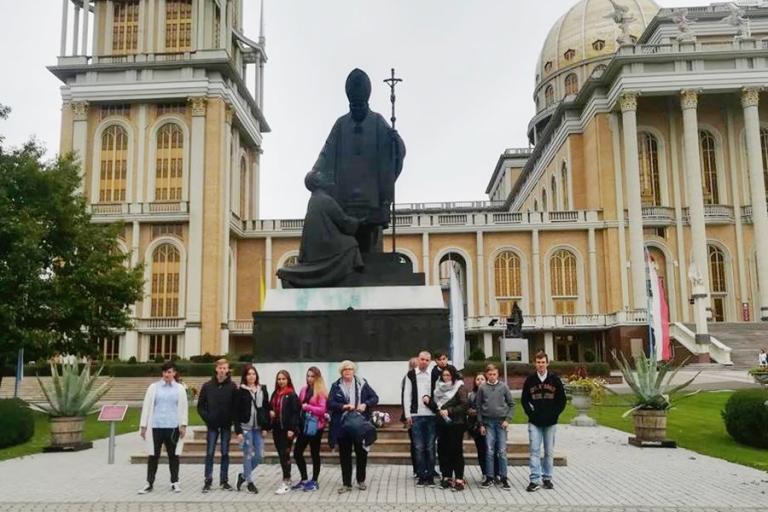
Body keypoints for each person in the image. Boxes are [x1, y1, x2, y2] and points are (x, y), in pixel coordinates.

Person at [309, 68, 406, 254]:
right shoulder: (340, 125)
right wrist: (314, 174)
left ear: (367, 102)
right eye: (353, 106)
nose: (357, 109)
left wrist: (397, 144)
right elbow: (326, 154)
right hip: (344, 202)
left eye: (361, 105)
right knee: (346, 249)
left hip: (371, 201)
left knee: (371, 252)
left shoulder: (378, 122)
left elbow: (395, 155)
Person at [277, 172, 364, 288]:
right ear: (317, 182)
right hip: (325, 245)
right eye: (321, 176)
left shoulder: (314, 200)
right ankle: (350, 276)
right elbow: (344, 222)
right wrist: (359, 221)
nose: (325, 176)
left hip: (317, 246)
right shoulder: (325, 200)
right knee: (351, 244)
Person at [137, 361, 189, 494]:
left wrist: (183, 425)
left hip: (172, 427)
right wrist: (143, 426)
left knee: (174, 455)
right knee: (153, 455)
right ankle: (149, 483)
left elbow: (183, 408)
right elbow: (147, 407)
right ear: (162, 373)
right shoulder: (153, 388)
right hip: (156, 426)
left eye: (170, 372)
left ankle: (175, 482)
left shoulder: (180, 388)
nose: (167, 374)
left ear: (174, 373)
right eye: (165, 372)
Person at [328, 360, 380, 494]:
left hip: (360, 424)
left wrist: (365, 404)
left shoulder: (362, 383)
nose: (347, 371)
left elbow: (375, 397)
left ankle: (361, 480)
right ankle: (346, 484)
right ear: (341, 371)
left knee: (361, 453)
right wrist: (343, 406)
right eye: (345, 369)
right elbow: (330, 404)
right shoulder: (336, 386)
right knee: (344, 455)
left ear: (354, 371)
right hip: (343, 425)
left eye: (350, 369)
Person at [521, 352, 566, 492]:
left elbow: (562, 400)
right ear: (535, 363)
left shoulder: (554, 380)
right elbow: (524, 400)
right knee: (534, 451)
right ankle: (534, 480)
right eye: (538, 362)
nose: (540, 365)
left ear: (547, 363)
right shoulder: (530, 380)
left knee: (549, 452)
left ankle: (547, 478)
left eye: (543, 362)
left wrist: (554, 414)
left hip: (550, 422)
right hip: (534, 422)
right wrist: (531, 413)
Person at [197, 358, 238, 493]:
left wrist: (231, 419)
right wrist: (208, 418)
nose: (222, 371)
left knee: (225, 453)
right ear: (216, 369)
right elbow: (200, 406)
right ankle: (208, 480)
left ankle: (224, 481)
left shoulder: (232, 387)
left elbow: (235, 406)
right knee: (210, 453)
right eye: (220, 368)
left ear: (228, 370)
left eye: (225, 368)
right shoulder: (207, 386)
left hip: (226, 425)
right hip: (212, 425)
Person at [429, 365, 469, 491]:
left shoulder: (459, 387)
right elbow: (436, 405)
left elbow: (464, 404)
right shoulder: (438, 387)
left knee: (455, 450)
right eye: (444, 375)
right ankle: (446, 476)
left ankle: (459, 478)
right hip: (442, 423)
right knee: (443, 450)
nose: (446, 378)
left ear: (453, 376)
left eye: (448, 375)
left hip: (456, 423)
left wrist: (450, 410)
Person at [476, 363, 515, 490]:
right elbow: (479, 407)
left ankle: (503, 477)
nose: (492, 376)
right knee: (489, 450)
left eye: (494, 374)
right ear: (486, 375)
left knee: (502, 451)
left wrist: (507, 419)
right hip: (488, 423)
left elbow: (512, 404)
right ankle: (489, 477)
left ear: (498, 375)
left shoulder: (503, 387)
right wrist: (481, 424)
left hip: (501, 423)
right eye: (490, 374)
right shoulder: (482, 388)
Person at [233, 364, 270, 494]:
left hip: (258, 428)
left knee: (259, 455)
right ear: (245, 376)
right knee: (247, 455)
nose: (251, 376)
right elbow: (235, 412)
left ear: (256, 376)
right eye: (248, 374)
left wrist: (266, 427)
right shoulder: (240, 391)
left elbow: (266, 408)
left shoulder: (262, 389)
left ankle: (242, 476)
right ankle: (249, 482)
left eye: (253, 374)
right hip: (245, 428)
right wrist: (238, 432)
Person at [403, 350, 437, 487]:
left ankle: (430, 476)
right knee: (418, 447)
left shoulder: (435, 374)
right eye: (422, 359)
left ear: (430, 361)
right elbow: (407, 395)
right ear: (418, 359)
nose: (424, 362)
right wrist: (407, 415)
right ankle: (421, 476)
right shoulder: (411, 375)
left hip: (432, 415)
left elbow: (439, 393)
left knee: (430, 446)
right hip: (416, 415)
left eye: (427, 360)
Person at [292, 366, 329, 492]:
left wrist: (308, 407)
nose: (309, 378)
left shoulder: (321, 392)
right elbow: (299, 405)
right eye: (308, 376)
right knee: (297, 452)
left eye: (312, 376)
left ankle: (314, 480)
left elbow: (322, 410)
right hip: (303, 426)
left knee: (314, 453)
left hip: (316, 427)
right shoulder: (303, 390)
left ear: (317, 377)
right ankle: (304, 479)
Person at [270, 370, 301, 495]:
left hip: (287, 430)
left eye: (283, 379)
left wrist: (292, 429)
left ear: (288, 380)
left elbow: (295, 413)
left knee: (285, 454)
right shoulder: (275, 394)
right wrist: (270, 413)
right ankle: (286, 477)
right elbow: (270, 407)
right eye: (279, 379)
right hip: (277, 428)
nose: (281, 381)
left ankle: (286, 480)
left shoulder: (292, 395)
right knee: (281, 454)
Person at [467, 372, 492, 482]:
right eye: (478, 379)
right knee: (481, 450)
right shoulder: (471, 395)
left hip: (488, 425)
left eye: (482, 379)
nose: (480, 381)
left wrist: (478, 412)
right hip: (476, 426)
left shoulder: (490, 393)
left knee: (491, 450)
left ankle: (494, 472)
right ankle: (485, 473)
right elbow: (466, 407)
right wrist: (469, 411)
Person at [400, 357, 419, 478]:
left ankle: (419, 469)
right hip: (413, 415)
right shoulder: (408, 378)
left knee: (417, 443)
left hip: (416, 415)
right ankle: (417, 468)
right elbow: (405, 398)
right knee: (416, 443)